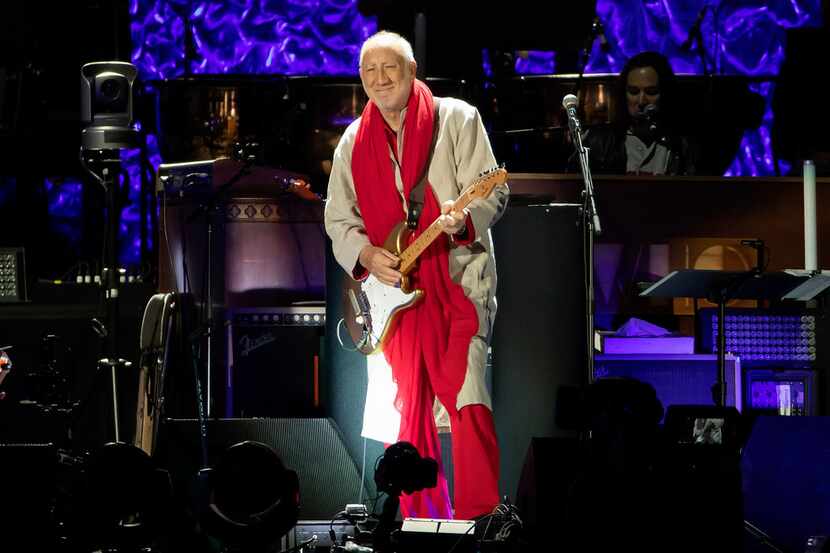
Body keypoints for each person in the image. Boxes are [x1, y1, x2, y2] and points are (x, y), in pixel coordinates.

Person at [324, 30, 508, 520]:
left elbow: (490, 192)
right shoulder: (351, 141)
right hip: (396, 294)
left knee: (468, 397)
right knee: (408, 410)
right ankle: (420, 520)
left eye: (390, 69)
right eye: (370, 71)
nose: (380, 79)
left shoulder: (457, 118)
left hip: (459, 283)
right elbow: (338, 219)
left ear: (412, 71)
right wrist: (365, 252)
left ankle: (480, 518)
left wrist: (461, 220)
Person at [581, 51, 699, 175]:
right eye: (633, 92)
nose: (642, 101)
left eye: (651, 92)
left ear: (665, 94)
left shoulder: (681, 146)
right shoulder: (598, 141)